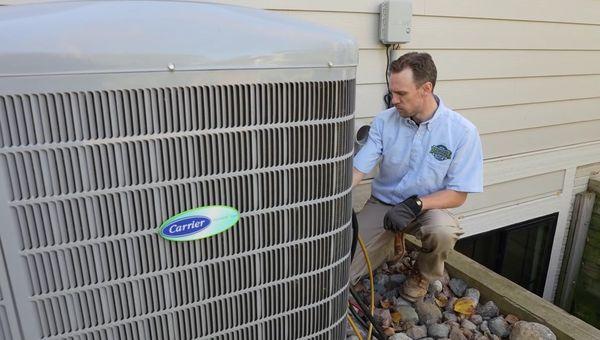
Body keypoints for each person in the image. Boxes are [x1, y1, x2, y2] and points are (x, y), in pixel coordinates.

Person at [350, 52, 483, 302]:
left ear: (426, 89)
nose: (394, 100)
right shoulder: (384, 121)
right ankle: (390, 245)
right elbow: (358, 169)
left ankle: (423, 274)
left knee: (443, 230)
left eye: (402, 94)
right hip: (384, 205)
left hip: (427, 207)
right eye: (392, 93)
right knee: (344, 273)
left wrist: (417, 204)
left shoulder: (462, 132)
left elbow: (458, 194)